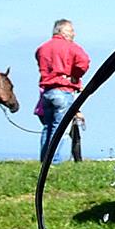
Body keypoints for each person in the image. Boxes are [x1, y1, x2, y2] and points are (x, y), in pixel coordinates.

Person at [35, 18, 91, 162]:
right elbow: (84, 62)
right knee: (60, 129)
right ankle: (53, 161)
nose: (74, 34)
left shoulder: (42, 48)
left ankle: (44, 160)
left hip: (47, 91)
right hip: (63, 90)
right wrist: (75, 76)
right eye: (71, 30)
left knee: (47, 127)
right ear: (62, 31)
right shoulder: (71, 47)